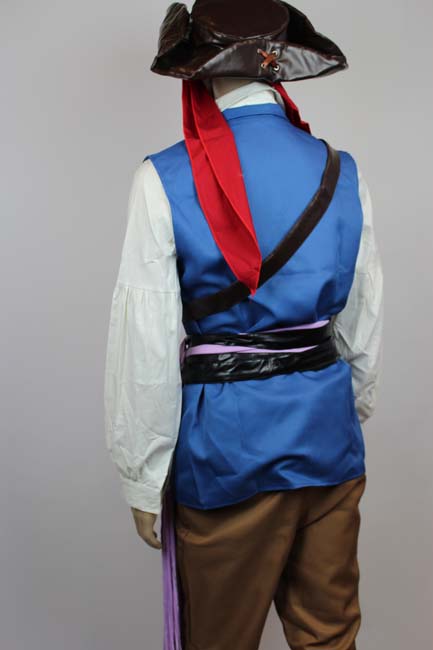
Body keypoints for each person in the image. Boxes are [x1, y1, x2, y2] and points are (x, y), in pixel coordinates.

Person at [104, 1, 384, 648]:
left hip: (227, 452)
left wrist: (143, 475)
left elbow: (146, 341)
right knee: (330, 637)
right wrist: (343, 412)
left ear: (198, 69)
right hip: (328, 441)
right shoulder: (342, 172)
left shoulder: (161, 179)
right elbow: (361, 327)